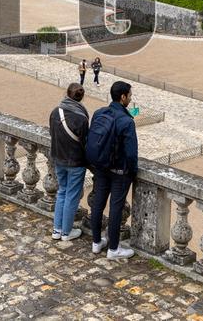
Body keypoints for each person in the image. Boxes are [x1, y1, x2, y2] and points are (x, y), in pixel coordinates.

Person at [86, 80, 139, 260]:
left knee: (98, 204)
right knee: (115, 208)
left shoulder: (99, 113)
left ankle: (96, 242)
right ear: (123, 97)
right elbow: (131, 154)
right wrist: (131, 172)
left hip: (100, 167)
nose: (130, 99)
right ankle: (114, 248)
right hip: (119, 172)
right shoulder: (127, 121)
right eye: (130, 96)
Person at [48, 83, 89, 242]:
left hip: (59, 158)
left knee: (62, 193)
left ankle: (56, 230)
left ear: (67, 94)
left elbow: (52, 133)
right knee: (71, 196)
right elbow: (85, 142)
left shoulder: (55, 112)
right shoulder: (82, 117)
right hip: (76, 162)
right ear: (81, 98)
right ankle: (66, 232)